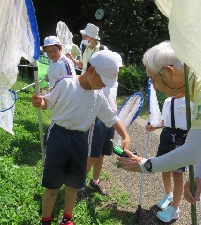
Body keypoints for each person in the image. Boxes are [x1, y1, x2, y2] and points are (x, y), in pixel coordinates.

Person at [117, 41, 201, 224]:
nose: (155, 87)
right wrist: (197, 175)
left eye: (153, 79)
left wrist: (145, 165)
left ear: (169, 72)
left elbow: (191, 151)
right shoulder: (198, 86)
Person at [31, 50, 130, 225]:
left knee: (74, 184)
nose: (104, 86)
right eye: (103, 81)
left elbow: (112, 118)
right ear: (91, 70)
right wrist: (40, 102)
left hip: (80, 140)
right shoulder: (66, 83)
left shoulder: (99, 96)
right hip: (58, 137)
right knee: (52, 185)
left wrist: (125, 135)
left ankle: (67, 218)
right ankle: (45, 220)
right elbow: (48, 102)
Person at [66, 24, 115, 199]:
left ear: (94, 38)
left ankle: (95, 181)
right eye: (84, 36)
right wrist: (73, 61)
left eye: (86, 36)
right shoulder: (86, 50)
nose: (84, 39)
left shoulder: (104, 53)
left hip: (109, 105)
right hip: (97, 107)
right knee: (92, 153)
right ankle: (78, 185)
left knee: (101, 152)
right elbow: (85, 69)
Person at [146, 95, 194, 222]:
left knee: (177, 175)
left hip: (182, 138)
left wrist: (193, 131)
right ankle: (168, 195)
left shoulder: (192, 99)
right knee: (164, 169)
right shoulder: (168, 100)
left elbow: (198, 120)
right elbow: (164, 121)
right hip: (166, 135)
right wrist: (154, 126)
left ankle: (174, 209)